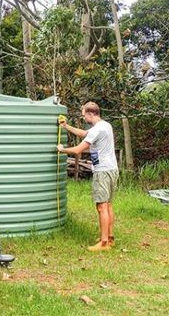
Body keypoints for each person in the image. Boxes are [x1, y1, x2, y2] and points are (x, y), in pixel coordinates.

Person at [57, 102, 119, 251]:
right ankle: (110, 238)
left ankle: (103, 243)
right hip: (112, 169)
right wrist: (66, 126)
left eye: (84, 115)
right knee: (108, 205)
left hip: (102, 171)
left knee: (101, 206)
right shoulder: (105, 125)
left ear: (91, 114)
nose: (84, 118)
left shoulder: (97, 130)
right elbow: (85, 134)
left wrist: (62, 149)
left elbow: (78, 150)